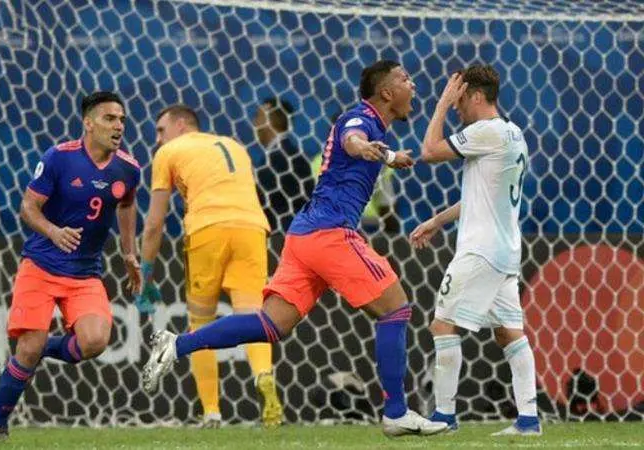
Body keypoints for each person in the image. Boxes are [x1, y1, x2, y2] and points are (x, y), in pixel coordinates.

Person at [143, 61, 448, 437]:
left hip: (303, 236)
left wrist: (383, 154)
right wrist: (380, 154)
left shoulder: (370, 123)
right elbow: (353, 140)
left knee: (270, 324)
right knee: (396, 308)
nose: (412, 84)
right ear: (386, 93)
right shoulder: (361, 118)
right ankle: (397, 412)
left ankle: (176, 345)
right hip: (330, 233)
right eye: (405, 79)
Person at [0, 92, 141, 440]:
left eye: (122, 120)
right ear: (88, 123)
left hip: (85, 273)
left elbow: (127, 205)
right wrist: (54, 232)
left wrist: (129, 252)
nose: (118, 126)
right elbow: (28, 207)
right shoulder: (59, 157)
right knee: (28, 347)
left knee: (95, 341)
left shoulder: (128, 168)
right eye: (109, 119)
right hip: (40, 266)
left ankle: (26, 361)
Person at [412, 65, 540, 436]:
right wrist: (437, 220)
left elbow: (430, 150)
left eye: (460, 99)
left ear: (477, 97)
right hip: (504, 250)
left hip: (480, 251)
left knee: (442, 323)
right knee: (509, 333)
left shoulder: (486, 130)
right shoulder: (513, 134)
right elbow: (481, 197)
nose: (456, 107)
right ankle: (529, 421)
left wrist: (438, 106)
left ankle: (444, 417)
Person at [136, 104, 282, 428]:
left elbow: (154, 224)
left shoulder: (170, 151)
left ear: (182, 125)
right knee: (252, 317)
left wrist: (145, 274)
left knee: (200, 324)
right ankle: (263, 376)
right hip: (252, 229)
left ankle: (212, 411)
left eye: (161, 130)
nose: (158, 140)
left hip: (208, 228)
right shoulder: (234, 145)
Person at [253, 98, 314, 231]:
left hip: (284, 236)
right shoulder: (289, 154)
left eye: (258, 117)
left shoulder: (280, 157)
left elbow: (262, 197)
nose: (254, 124)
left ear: (268, 120)